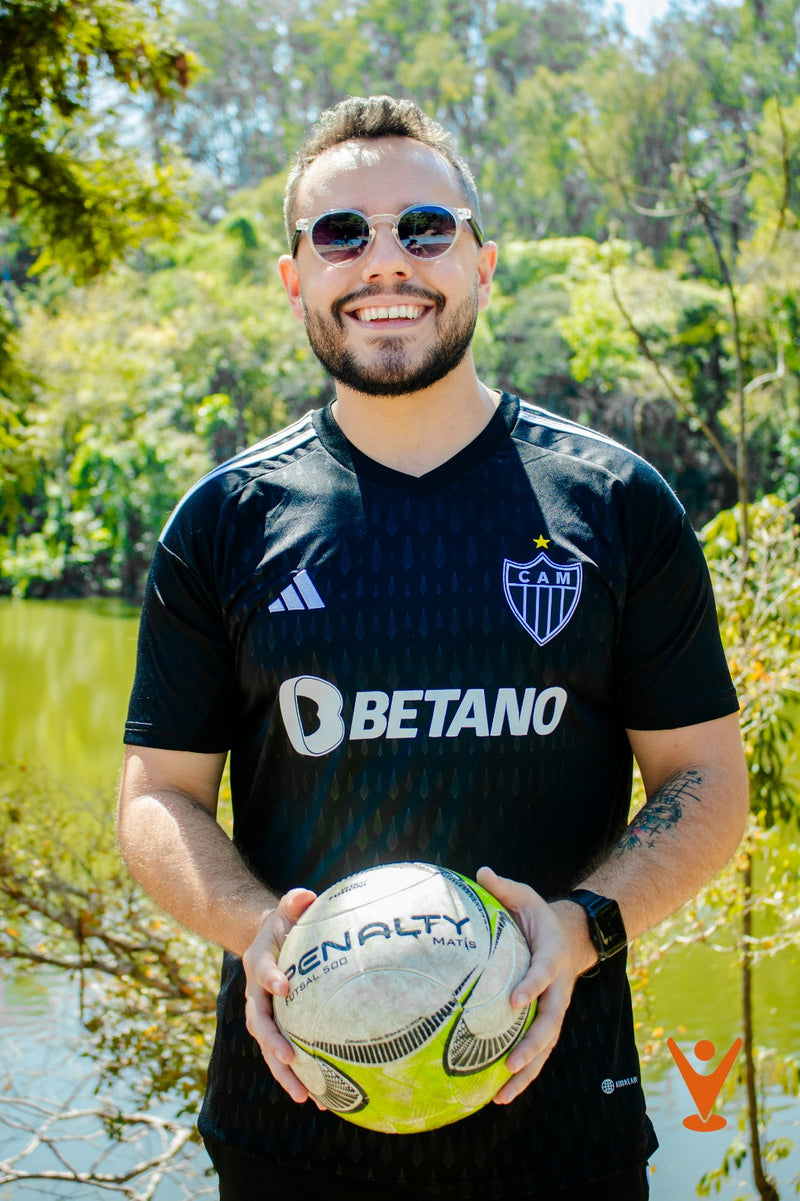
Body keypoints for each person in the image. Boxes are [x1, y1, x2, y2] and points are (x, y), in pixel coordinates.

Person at [117, 94, 749, 1200]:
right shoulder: (223, 521)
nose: (384, 262)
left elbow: (704, 779)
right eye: (340, 234)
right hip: (294, 1123)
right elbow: (157, 795)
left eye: (423, 227)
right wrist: (260, 933)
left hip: (560, 1128)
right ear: (293, 277)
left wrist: (579, 926)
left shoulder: (613, 504)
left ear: (482, 262)